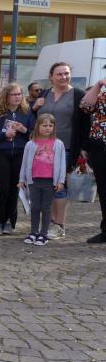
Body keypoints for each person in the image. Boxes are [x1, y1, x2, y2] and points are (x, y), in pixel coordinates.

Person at [35, 62, 87, 239]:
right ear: (51, 77)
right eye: (59, 74)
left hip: (65, 148)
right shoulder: (44, 94)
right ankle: (49, 222)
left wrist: (83, 148)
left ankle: (59, 225)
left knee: (59, 185)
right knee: (46, 186)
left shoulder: (78, 95)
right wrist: (35, 107)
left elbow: (85, 123)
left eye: (66, 73)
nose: (63, 77)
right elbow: (36, 119)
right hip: (42, 147)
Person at [0, 83, 35, 235]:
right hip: (2, 154)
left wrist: (24, 130)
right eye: (13, 94)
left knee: (14, 189)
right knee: (3, 189)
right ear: (6, 96)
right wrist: (4, 134)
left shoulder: (27, 113)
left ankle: (9, 222)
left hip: (20, 154)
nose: (17, 97)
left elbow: (35, 136)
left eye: (19, 94)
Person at [18, 114, 66, 246]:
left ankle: (43, 234)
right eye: (44, 125)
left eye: (50, 125)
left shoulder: (58, 144)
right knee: (34, 207)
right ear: (37, 127)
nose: (47, 128)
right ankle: (34, 232)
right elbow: (24, 163)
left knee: (46, 208)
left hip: (50, 181)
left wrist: (60, 181)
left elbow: (62, 164)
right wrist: (22, 179)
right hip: (33, 180)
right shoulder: (30, 144)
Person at [79, 78, 106, 243]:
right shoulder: (101, 94)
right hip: (99, 145)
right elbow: (85, 106)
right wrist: (99, 85)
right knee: (103, 188)